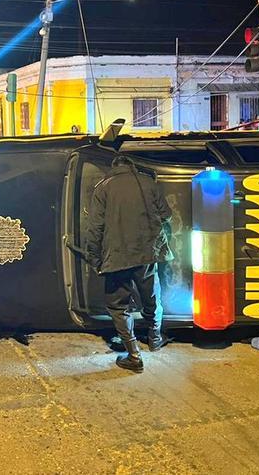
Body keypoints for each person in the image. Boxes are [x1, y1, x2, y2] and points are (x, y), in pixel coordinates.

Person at [84, 155, 172, 373]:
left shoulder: (102, 188)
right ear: (131, 167)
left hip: (116, 257)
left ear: (113, 168)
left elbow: (95, 227)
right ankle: (155, 338)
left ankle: (133, 355)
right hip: (146, 254)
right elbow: (166, 215)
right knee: (151, 297)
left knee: (118, 306)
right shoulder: (148, 183)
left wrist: (94, 257)